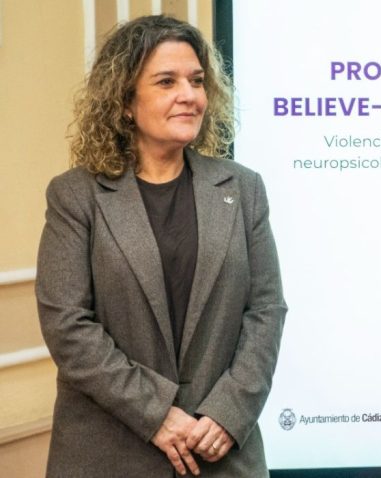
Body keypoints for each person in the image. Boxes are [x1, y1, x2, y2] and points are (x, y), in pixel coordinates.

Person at [35, 15, 286, 477]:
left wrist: (227, 413)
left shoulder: (243, 188)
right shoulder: (76, 196)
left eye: (197, 81)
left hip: (220, 452)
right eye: (167, 82)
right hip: (110, 454)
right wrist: (157, 414)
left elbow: (266, 310)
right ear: (125, 102)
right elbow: (67, 325)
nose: (189, 95)